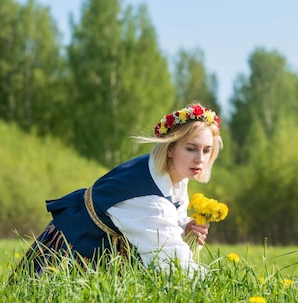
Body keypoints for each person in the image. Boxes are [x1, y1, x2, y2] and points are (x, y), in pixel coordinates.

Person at [13, 103, 223, 278]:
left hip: (101, 254)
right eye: (191, 148)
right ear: (170, 148)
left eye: (206, 150)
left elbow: (172, 215)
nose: (200, 159)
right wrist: (219, 283)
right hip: (72, 254)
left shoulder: (172, 174)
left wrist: (184, 227)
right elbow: (173, 265)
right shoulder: (147, 197)